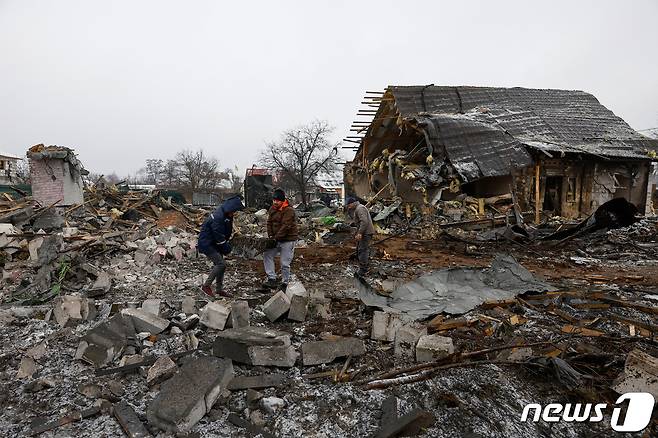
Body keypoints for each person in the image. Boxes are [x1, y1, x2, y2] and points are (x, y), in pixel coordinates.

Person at [197, 195, 245, 297]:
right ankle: (206, 286)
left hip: (214, 244)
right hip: (207, 244)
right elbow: (218, 234)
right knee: (221, 264)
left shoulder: (226, 215)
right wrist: (226, 247)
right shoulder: (218, 217)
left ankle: (219, 289)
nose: (234, 213)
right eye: (234, 211)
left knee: (221, 266)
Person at [262, 188, 298, 290]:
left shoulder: (289, 210)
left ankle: (285, 283)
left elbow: (286, 226)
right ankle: (271, 279)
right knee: (267, 255)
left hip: (288, 240)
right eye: (274, 200)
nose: (275, 202)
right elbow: (269, 223)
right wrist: (270, 236)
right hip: (276, 239)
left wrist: (276, 238)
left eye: (277, 200)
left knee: (284, 263)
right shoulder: (272, 209)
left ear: (282, 201)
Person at [345, 197, 375, 276]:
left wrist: (360, 233)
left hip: (366, 232)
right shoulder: (358, 208)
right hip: (365, 232)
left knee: (362, 250)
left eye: (348, 205)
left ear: (352, 203)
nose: (348, 207)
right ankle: (363, 266)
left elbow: (364, 221)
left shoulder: (360, 208)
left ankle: (363, 270)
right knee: (360, 249)